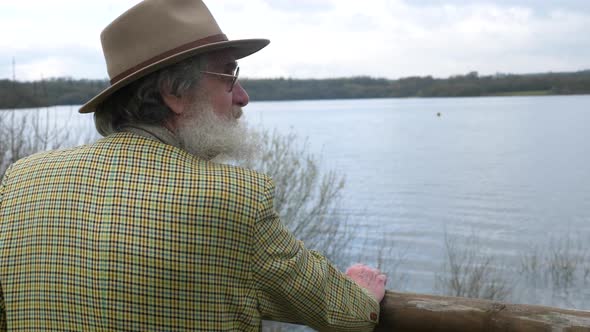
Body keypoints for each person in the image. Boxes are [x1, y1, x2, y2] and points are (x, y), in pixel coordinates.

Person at [0, 0, 386, 330]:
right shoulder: (235, 197)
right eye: (229, 76)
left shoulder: (20, 180)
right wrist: (362, 291)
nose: (244, 97)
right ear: (173, 93)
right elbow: (346, 314)